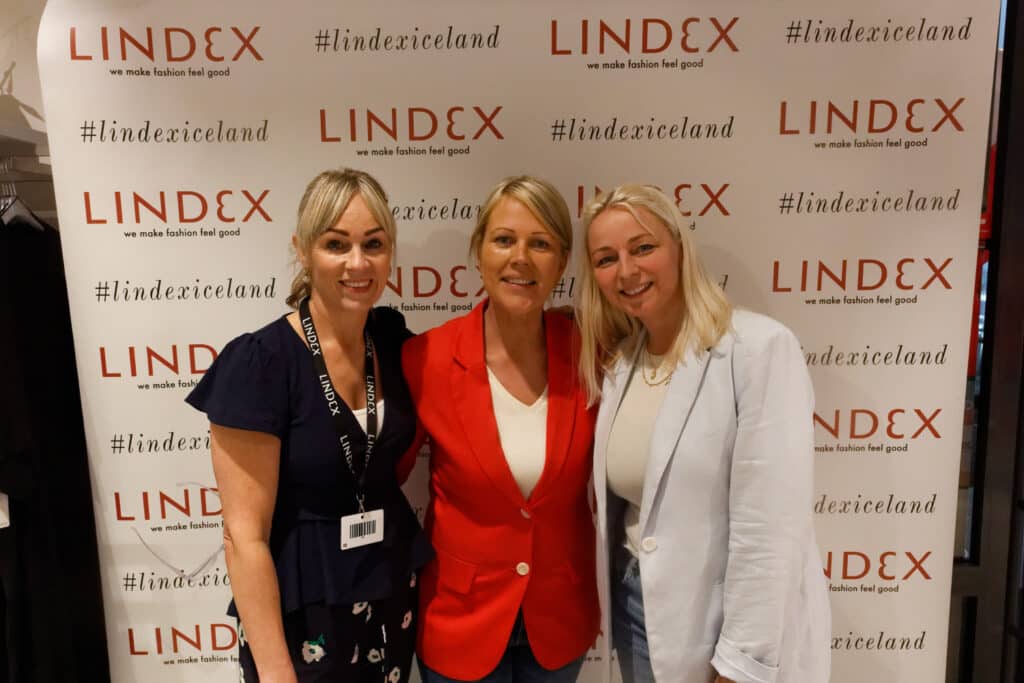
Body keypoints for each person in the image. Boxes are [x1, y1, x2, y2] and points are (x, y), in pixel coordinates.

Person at [576, 184, 831, 683]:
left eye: (643, 248)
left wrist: (742, 661)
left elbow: (770, 524)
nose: (626, 271)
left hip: (720, 625)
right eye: (606, 258)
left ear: (679, 247)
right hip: (634, 606)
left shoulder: (758, 348)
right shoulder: (622, 364)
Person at [186, 168, 431, 683]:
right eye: (336, 244)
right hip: (303, 614)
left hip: (389, 594)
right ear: (302, 249)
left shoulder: (390, 340)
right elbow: (243, 537)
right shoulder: (261, 363)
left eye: (373, 244)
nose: (358, 263)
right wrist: (276, 672)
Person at [401, 176, 599, 682]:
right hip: (460, 621)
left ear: (562, 261)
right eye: (505, 239)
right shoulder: (426, 358)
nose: (521, 258)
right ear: (479, 251)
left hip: (559, 619)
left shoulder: (591, 354)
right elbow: (381, 477)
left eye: (541, 244)